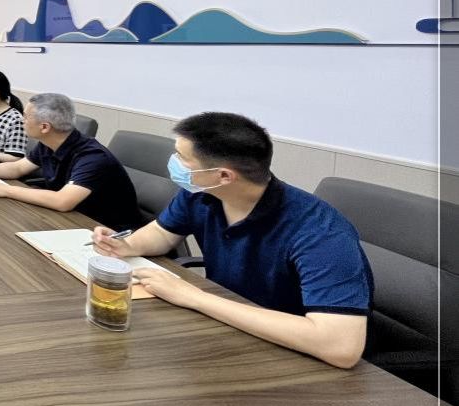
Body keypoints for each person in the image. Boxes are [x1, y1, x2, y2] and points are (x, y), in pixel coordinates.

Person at [91, 112, 373, 369]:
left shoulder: (320, 233)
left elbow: (341, 348)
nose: (174, 163)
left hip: (294, 359)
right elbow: (163, 233)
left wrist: (194, 297)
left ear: (224, 175)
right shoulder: (202, 193)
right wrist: (128, 245)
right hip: (229, 330)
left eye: (182, 158)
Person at [0, 93, 143, 230]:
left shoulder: (93, 157)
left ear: (44, 127)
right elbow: (18, 168)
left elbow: (63, 201)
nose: (21, 120)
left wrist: (6, 190)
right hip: (68, 220)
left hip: (107, 232)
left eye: (26, 116)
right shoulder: (49, 143)